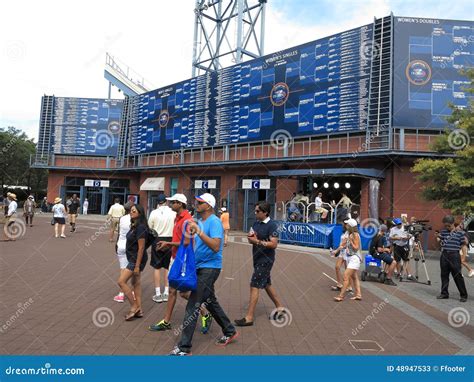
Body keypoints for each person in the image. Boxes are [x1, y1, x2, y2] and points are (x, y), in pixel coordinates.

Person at [169, 193, 239, 356]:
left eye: (200, 202)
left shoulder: (214, 221)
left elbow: (216, 246)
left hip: (210, 268)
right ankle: (229, 330)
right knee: (210, 301)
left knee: (193, 304)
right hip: (200, 267)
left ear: (208, 205)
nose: (196, 204)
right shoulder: (200, 221)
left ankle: (184, 348)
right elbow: (189, 243)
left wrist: (198, 231)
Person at [235, 201, 285, 326]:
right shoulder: (256, 223)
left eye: (258, 211)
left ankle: (249, 317)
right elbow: (251, 238)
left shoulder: (272, 225)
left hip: (266, 260)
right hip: (256, 258)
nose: (255, 213)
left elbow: (274, 244)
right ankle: (280, 308)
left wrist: (257, 241)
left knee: (254, 285)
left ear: (265, 212)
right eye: (255, 210)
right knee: (267, 284)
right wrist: (251, 239)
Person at [148, 193, 193, 332]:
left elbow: (186, 242)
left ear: (180, 204)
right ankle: (166, 321)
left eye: (173, 202)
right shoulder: (176, 217)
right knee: (174, 290)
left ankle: (205, 310)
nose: (170, 204)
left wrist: (168, 243)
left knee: (183, 293)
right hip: (175, 256)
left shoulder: (187, 220)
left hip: (182, 259)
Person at [117, 204, 149, 320]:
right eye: (131, 211)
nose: (131, 212)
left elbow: (141, 247)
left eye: (134, 211)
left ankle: (134, 306)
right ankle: (139, 309)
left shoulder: (140, 227)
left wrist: (136, 266)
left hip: (136, 259)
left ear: (139, 213)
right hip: (133, 258)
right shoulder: (134, 225)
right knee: (136, 283)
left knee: (121, 281)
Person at [148, 194, 176, 303]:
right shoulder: (173, 212)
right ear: (166, 201)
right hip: (170, 240)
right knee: (168, 267)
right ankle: (166, 292)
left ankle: (158, 293)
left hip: (157, 239)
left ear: (157, 202)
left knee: (157, 267)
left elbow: (150, 227)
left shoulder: (154, 213)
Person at [437, 215, 468, 302]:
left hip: (454, 255)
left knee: (457, 276)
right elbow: (439, 239)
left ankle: (463, 295)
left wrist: (464, 257)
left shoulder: (460, 233)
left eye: (449, 226)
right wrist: (438, 238)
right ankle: (444, 293)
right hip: (444, 255)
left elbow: (463, 245)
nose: (447, 227)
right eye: (445, 226)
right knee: (444, 275)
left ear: (453, 224)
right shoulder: (443, 232)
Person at [334, 218, 362, 302]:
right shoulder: (349, 234)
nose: (345, 225)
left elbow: (356, 247)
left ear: (350, 226)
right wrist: (337, 250)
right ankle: (358, 295)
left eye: (347, 224)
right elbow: (344, 245)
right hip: (350, 257)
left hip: (354, 258)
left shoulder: (355, 235)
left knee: (346, 276)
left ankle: (341, 296)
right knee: (354, 277)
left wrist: (351, 241)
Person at [114, 202, 133, 303]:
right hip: (131, 246)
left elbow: (119, 232)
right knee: (133, 269)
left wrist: (116, 244)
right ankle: (133, 291)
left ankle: (121, 294)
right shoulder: (136, 219)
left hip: (121, 244)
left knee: (123, 269)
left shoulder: (122, 218)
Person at [330, 222, 353, 292]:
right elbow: (342, 243)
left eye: (345, 224)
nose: (344, 225)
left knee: (347, 270)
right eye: (344, 224)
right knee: (337, 267)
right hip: (342, 252)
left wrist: (336, 251)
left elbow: (344, 243)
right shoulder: (345, 232)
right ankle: (339, 284)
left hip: (347, 252)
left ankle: (349, 286)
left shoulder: (350, 233)